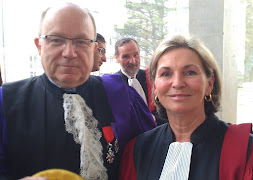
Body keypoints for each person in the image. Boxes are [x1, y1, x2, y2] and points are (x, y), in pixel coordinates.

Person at [0, 3, 156, 180]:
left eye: (81, 41)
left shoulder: (122, 95)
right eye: (56, 40)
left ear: (93, 49)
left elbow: (153, 154)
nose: (69, 53)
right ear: (39, 46)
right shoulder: (6, 101)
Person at [119, 35, 253, 180]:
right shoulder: (138, 149)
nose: (177, 83)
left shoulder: (244, 149)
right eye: (166, 74)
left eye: (190, 72)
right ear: (155, 87)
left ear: (210, 83)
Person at [114, 37, 167, 125]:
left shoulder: (152, 77)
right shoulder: (112, 84)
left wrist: (154, 119)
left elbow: (166, 110)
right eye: (126, 56)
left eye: (136, 55)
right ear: (116, 58)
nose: (132, 61)